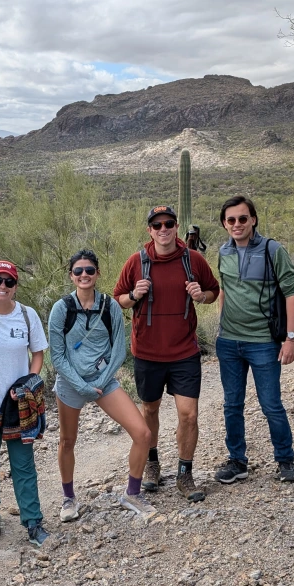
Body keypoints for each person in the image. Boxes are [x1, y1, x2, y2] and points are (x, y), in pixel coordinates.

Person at [113, 206, 220, 502]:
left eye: (168, 223)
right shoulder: (136, 262)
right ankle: (152, 464)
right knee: (150, 411)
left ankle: (185, 473)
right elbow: (118, 299)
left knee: (189, 414)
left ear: (176, 226)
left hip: (184, 350)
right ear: (149, 230)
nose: (163, 229)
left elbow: (213, 291)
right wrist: (134, 295)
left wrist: (202, 296)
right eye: (157, 225)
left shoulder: (193, 260)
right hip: (147, 352)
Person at [49, 250, 156, 521]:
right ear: (71, 275)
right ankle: (68, 498)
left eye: (89, 270)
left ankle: (132, 492)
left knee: (142, 433)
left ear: (97, 273)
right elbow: (57, 357)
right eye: (78, 271)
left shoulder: (110, 307)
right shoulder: (61, 308)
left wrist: (99, 382)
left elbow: (119, 350)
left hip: (103, 381)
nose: (84, 275)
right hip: (71, 382)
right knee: (67, 440)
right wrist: (82, 386)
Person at [213, 196, 294, 485]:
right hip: (229, 342)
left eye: (242, 218)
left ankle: (285, 460)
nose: (236, 224)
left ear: (253, 219)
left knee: (271, 403)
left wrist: (290, 338)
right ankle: (237, 461)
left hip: (263, 342)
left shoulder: (272, 250)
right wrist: (221, 324)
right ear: (225, 224)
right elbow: (224, 290)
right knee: (232, 404)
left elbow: (291, 293)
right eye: (231, 220)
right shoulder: (223, 252)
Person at [0, 260, 51, 547]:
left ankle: (33, 521)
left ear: (16, 286)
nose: (2, 286)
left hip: (18, 405)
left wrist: (29, 381)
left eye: (9, 281)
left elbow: (38, 353)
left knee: (23, 464)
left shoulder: (27, 316)